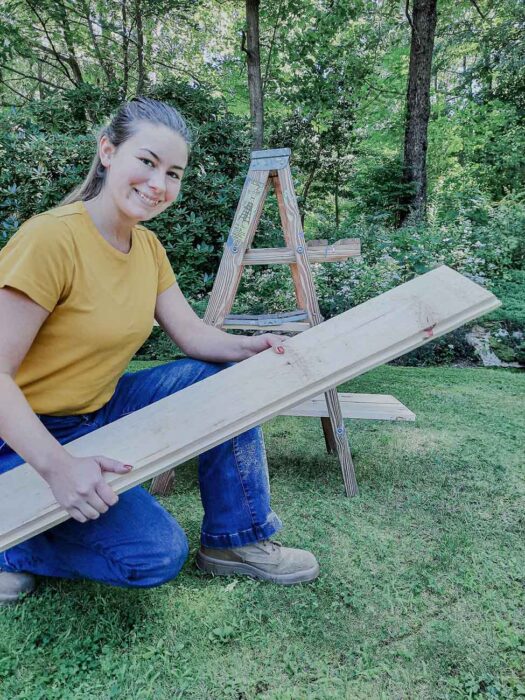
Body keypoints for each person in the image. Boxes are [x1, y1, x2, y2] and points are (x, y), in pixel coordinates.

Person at [0, 97, 319, 604]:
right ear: (107, 151)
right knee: (156, 554)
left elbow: (193, 337)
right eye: (147, 162)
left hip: (96, 411)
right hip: (19, 435)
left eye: (173, 173)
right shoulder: (51, 239)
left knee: (220, 377)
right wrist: (59, 467)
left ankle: (235, 543)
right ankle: (9, 546)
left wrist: (249, 346)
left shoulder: (147, 248)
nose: (159, 184)